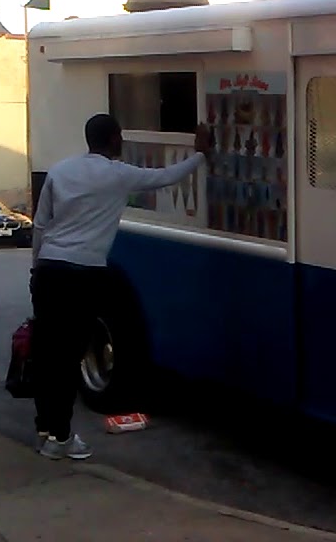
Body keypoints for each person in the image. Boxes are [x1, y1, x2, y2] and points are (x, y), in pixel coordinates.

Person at [29, 113, 211, 460]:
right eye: (120, 137)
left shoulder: (60, 170)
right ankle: (62, 438)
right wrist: (200, 154)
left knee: (48, 353)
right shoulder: (118, 175)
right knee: (69, 355)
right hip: (84, 273)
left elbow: (40, 225)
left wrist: (36, 267)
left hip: (50, 269)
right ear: (113, 139)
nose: (122, 142)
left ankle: (45, 430)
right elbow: (166, 177)